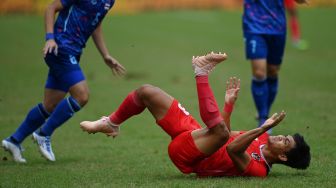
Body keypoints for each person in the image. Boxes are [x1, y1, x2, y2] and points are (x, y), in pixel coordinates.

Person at [80, 52, 310, 177]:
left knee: (219, 133)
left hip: (188, 156)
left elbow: (231, 148)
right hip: (197, 135)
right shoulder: (259, 139)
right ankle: (111, 123)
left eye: (285, 141)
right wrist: (228, 105)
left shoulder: (260, 170)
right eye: (284, 135)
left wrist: (262, 127)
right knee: (147, 92)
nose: (281, 136)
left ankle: (202, 72)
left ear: (283, 157)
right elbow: (227, 135)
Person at [2, 0, 125, 163]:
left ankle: (13, 141)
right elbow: (51, 7)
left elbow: (96, 23)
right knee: (82, 96)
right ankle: (43, 134)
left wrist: (105, 55)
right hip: (60, 48)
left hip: (73, 52)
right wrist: (50, 38)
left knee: (50, 105)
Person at [242, 0, 307, 132]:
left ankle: (265, 109)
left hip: (277, 27)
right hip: (254, 26)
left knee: (272, 71)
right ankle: (263, 117)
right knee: (259, 73)